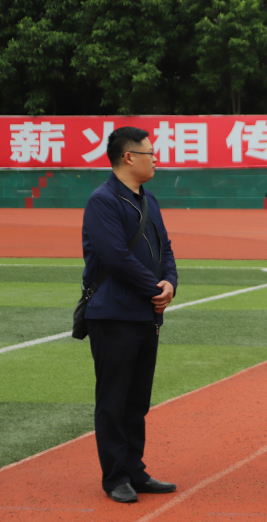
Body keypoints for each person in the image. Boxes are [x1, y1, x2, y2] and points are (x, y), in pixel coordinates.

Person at [81, 127, 178, 503]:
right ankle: (115, 476)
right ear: (129, 157)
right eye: (150, 153)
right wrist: (155, 288)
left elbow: (165, 248)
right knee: (114, 399)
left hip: (145, 315)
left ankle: (135, 470)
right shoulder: (102, 201)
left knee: (137, 400)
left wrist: (170, 282)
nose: (155, 160)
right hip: (113, 314)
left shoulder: (149, 199)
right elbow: (115, 256)